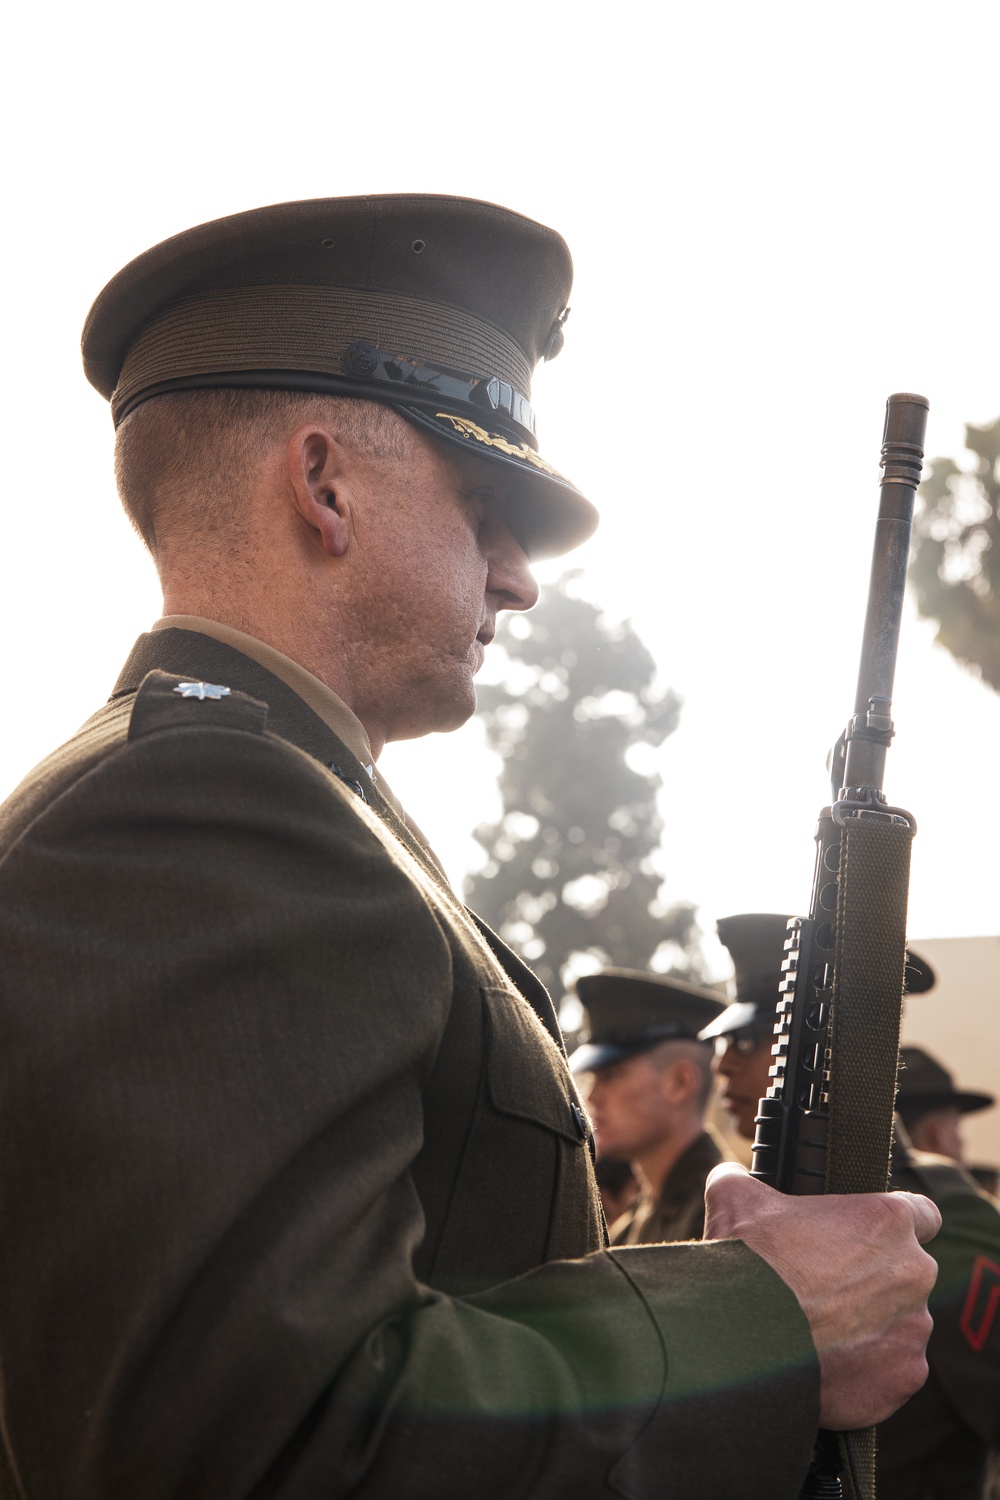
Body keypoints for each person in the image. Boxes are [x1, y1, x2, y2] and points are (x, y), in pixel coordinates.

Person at [0, 196, 940, 1500]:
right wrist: (759, 1317)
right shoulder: (201, 809)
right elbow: (273, 1439)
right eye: (484, 505)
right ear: (323, 483)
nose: (517, 578)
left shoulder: (278, 803)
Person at [702, 912, 1000, 1500]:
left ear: (834, 1050)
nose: (723, 1064)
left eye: (749, 1039)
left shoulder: (946, 1223)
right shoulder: (747, 1215)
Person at [568, 969, 728, 1242]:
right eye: (593, 1077)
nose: (592, 1096)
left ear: (680, 1083)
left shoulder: (720, 1216)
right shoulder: (636, 1220)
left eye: (612, 1075)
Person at [897, 1045, 996, 1167]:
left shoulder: (871, 1183)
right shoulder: (956, 1185)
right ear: (936, 1134)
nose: (963, 1141)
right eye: (957, 1125)